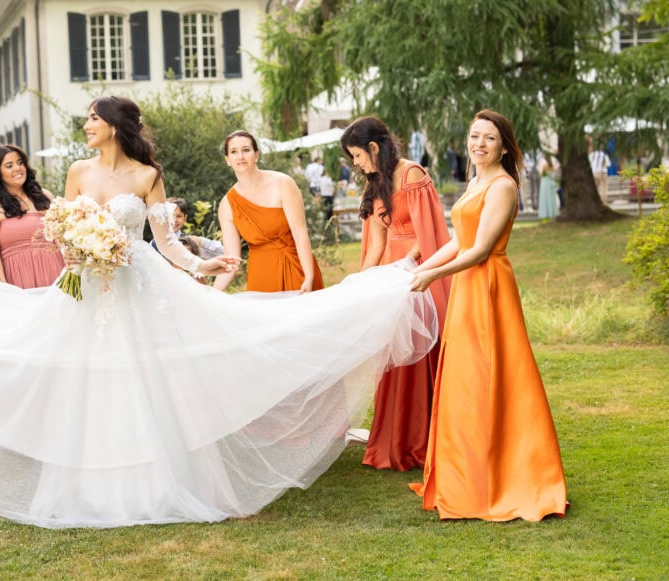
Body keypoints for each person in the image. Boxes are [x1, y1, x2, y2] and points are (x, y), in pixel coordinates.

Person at [0, 95, 438, 529]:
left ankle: (163, 483)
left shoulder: (149, 175)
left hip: (137, 283)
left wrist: (202, 265)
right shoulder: (78, 173)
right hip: (86, 287)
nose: (85, 127)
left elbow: (166, 240)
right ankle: (89, 485)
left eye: (91, 120)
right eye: (84, 120)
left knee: (151, 375)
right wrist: (78, 245)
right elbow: (64, 228)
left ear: (113, 126)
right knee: (84, 376)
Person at [409, 109, 567, 521]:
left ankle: (503, 477)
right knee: (466, 378)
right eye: (474, 136)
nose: (479, 144)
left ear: (504, 146)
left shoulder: (502, 186)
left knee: (493, 376)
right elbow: (460, 241)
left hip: (489, 286)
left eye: (489, 138)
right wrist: (421, 269)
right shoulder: (475, 180)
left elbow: (480, 251)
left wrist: (434, 276)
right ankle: (467, 474)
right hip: (467, 285)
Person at [341, 117, 451, 471]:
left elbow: (428, 230)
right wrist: (363, 284)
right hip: (391, 271)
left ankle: (420, 439)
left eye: (357, 155)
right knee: (392, 355)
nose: (356, 163)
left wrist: (406, 266)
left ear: (374, 147)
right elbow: (376, 244)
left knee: (417, 355)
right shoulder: (375, 184)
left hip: (416, 270)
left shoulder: (412, 175)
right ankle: (394, 438)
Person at [214, 130, 325, 293]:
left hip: (295, 266)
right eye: (233, 152)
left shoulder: (283, 183)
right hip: (261, 276)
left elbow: (300, 234)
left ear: (256, 155)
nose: (240, 156)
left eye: (246, 150)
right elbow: (232, 258)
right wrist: (212, 293)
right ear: (227, 160)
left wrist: (309, 276)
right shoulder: (227, 205)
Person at [0, 144, 65, 288]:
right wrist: (4, 287)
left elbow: (61, 239)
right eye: (9, 165)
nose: (17, 168)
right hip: (17, 279)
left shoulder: (45, 196)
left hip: (55, 271)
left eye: (20, 163)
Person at [148, 197, 224, 260]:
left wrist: (201, 241)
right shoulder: (154, 243)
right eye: (170, 216)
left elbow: (224, 253)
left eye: (179, 216)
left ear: (185, 218)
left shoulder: (190, 242)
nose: (174, 220)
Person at [536, 156, 561, 220]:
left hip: (545, 181)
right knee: (550, 198)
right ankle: (551, 213)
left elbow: (540, 173)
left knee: (546, 198)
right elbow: (556, 167)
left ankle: (547, 214)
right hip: (549, 181)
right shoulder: (551, 163)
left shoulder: (544, 163)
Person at [588, 138, 611, 204]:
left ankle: (595, 203)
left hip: (595, 173)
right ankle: (603, 203)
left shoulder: (591, 155)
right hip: (603, 173)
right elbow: (608, 165)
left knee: (595, 189)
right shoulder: (604, 155)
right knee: (604, 189)